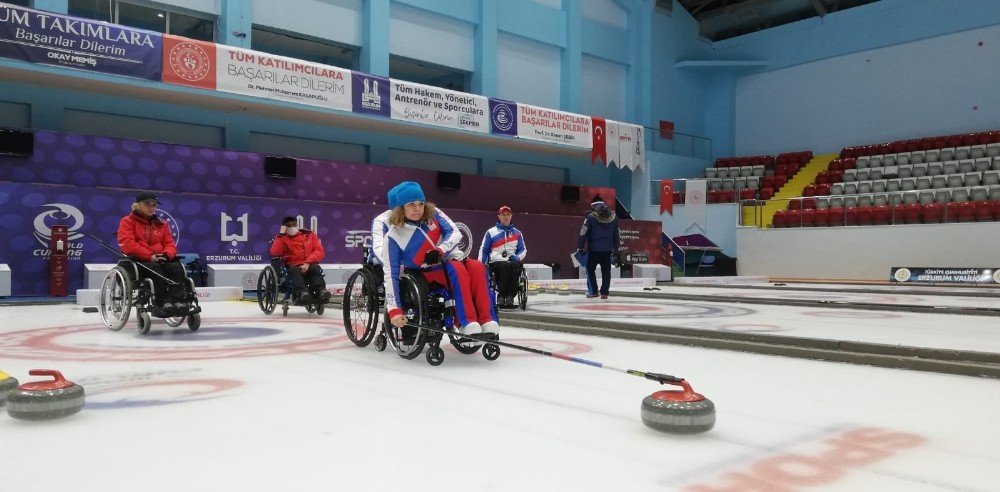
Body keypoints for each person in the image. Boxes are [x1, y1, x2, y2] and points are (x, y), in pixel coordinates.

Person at [383, 181, 499, 336]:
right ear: (400, 208)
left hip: (451, 259)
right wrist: (394, 310)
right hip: (425, 273)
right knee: (455, 270)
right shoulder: (393, 237)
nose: (417, 209)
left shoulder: (434, 214)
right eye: (411, 204)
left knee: (477, 267)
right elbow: (391, 275)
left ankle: (487, 320)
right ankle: (466, 322)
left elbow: (455, 232)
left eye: (421, 203)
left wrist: (440, 250)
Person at [116, 191, 188, 312]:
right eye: (147, 204)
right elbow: (128, 245)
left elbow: (170, 244)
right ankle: (162, 303)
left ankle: (178, 301)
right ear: (138, 205)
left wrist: (166, 255)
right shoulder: (127, 221)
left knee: (176, 267)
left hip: (160, 258)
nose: (151, 207)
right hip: (139, 260)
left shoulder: (162, 224)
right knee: (155, 268)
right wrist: (150, 256)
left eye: (154, 205)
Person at [269, 216, 330, 304]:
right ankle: (302, 293)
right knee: (294, 270)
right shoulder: (281, 238)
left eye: (294, 224)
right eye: (288, 225)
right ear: (284, 227)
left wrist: (308, 263)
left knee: (315, 268)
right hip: (292, 265)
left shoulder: (309, 235)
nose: (292, 227)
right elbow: (275, 253)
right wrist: (281, 234)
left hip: (309, 263)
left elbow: (319, 251)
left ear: (297, 225)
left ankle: (322, 291)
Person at [479, 205, 526, 308]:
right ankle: (501, 296)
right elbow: (484, 249)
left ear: (511, 216)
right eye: (503, 215)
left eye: (508, 214)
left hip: (512, 261)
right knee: (505, 266)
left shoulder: (518, 233)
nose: (506, 217)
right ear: (499, 216)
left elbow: (523, 250)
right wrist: (481, 264)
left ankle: (510, 297)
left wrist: (517, 257)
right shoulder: (491, 232)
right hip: (496, 262)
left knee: (515, 265)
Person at [577, 195, 620, 299]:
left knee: (590, 269)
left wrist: (580, 246)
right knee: (606, 271)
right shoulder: (614, 217)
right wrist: (616, 247)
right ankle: (605, 293)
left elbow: (583, 232)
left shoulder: (590, 217)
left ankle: (594, 292)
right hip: (608, 250)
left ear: (593, 205)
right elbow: (616, 233)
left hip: (594, 249)